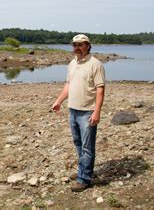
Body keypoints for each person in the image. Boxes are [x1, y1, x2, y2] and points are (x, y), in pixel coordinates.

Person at [51, 34, 105, 192]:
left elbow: (100, 89)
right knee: (78, 144)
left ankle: (84, 179)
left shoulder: (95, 64)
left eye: (80, 44)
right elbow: (68, 85)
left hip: (87, 112)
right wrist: (58, 101)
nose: (77, 48)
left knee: (87, 147)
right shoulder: (72, 63)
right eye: (75, 45)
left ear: (88, 45)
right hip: (73, 110)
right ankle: (83, 170)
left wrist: (97, 112)